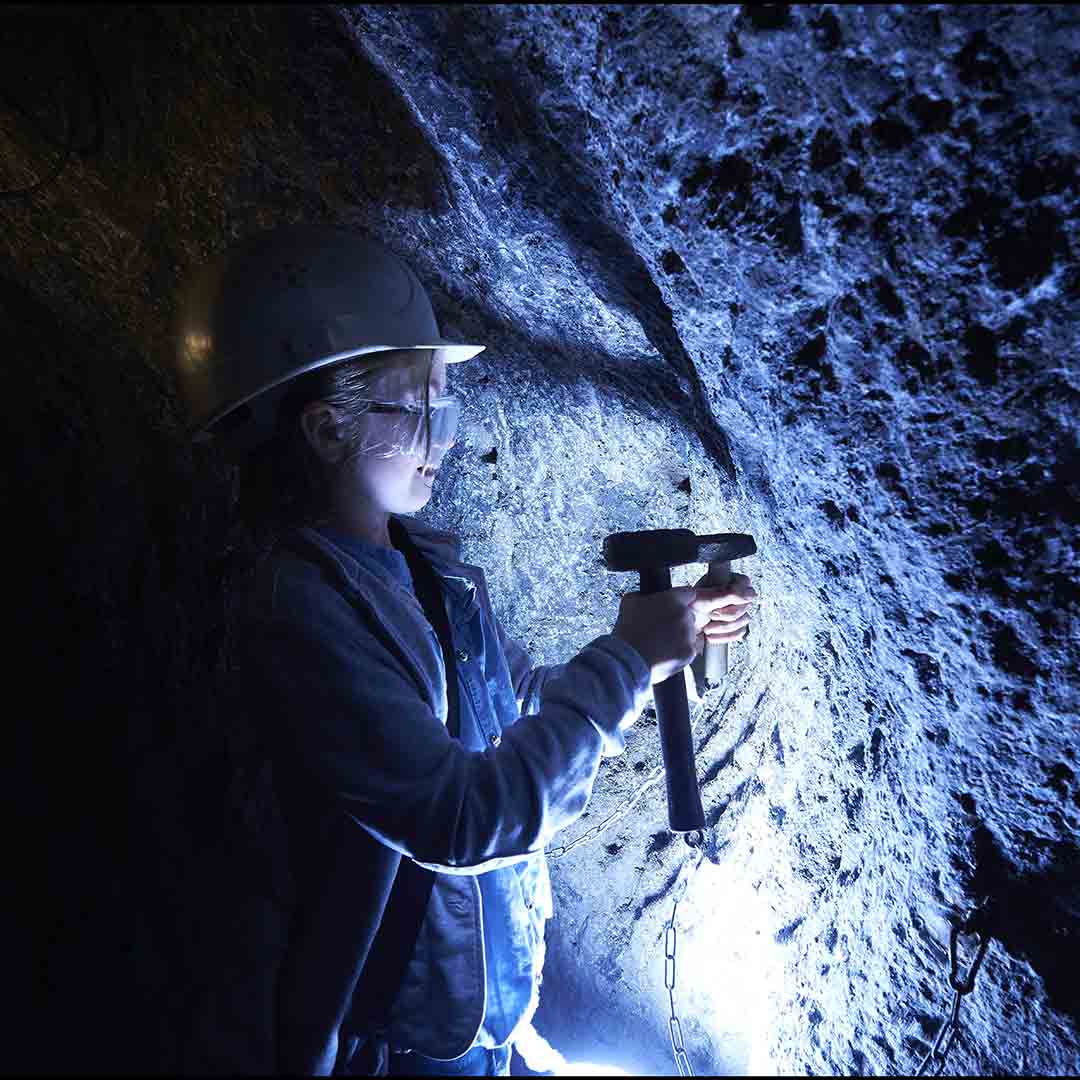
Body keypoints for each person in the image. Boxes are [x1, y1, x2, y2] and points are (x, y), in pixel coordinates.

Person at [171, 225, 757, 1076]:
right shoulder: (298, 613)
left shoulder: (426, 567)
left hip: (482, 1019)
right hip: (391, 1048)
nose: (445, 437)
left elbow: (520, 708)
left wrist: (671, 641)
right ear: (327, 429)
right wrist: (629, 660)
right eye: (422, 407)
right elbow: (463, 817)